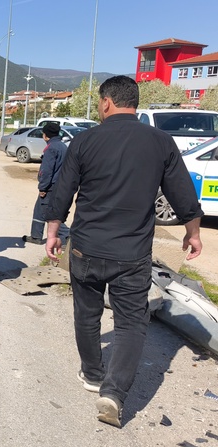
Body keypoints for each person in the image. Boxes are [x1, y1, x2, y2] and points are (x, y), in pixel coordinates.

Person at [45, 75, 203, 428]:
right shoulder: (161, 142)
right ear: (133, 102)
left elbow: (63, 192)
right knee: (131, 322)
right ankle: (113, 394)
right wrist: (192, 232)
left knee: (86, 314)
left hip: (86, 249)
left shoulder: (84, 141)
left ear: (105, 103)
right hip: (131, 254)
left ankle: (91, 372)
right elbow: (181, 193)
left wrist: (53, 232)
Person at [22, 122, 70, 245]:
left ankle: (67, 237)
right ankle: (36, 236)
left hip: (50, 187)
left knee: (49, 213)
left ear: (45, 135)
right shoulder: (62, 146)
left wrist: (43, 187)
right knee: (39, 209)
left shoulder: (51, 148)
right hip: (60, 185)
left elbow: (46, 170)